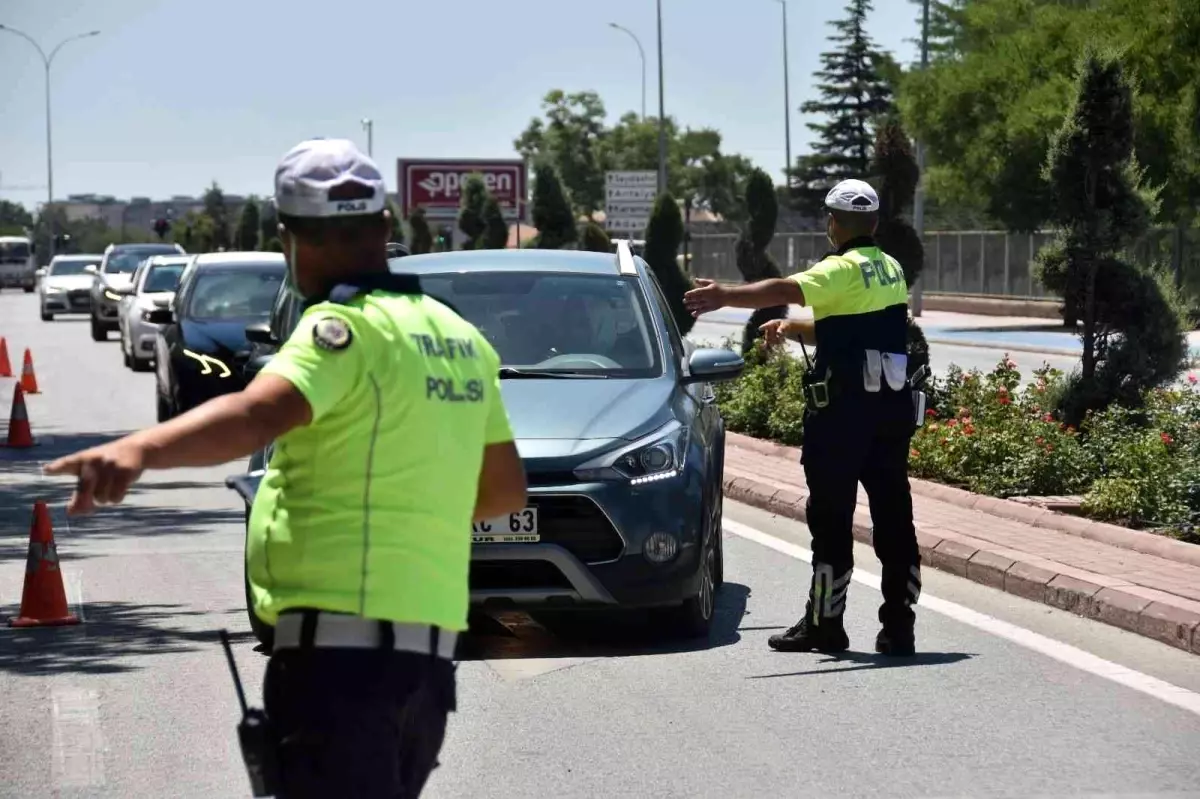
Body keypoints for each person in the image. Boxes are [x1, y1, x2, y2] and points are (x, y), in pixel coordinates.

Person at [43, 138, 528, 796]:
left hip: (337, 665)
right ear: (386, 226)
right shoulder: (458, 337)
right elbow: (503, 489)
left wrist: (139, 450)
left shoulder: (343, 329)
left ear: (293, 239)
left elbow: (254, 416)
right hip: (428, 667)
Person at [683, 178, 921, 657]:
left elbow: (785, 287)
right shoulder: (888, 268)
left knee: (831, 520)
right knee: (895, 517)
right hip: (890, 413)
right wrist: (794, 328)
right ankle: (899, 627)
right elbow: (854, 329)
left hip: (842, 419)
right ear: (874, 223)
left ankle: (825, 624)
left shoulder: (839, 269)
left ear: (834, 224)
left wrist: (726, 295)